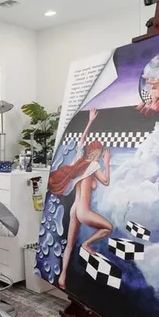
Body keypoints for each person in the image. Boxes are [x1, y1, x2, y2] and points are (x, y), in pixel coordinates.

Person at [48, 108, 112, 289]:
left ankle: (62, 277)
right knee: (108, 228)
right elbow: (106, 181)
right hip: (83, 210)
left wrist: (90, 121)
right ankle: (87, 244)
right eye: (101, 152)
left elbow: (81, 141)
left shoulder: (79, 162)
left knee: (69, 245)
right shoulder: (93, 165)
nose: (101, 155)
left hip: (74, 209)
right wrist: (107, 164)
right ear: (97, 152)